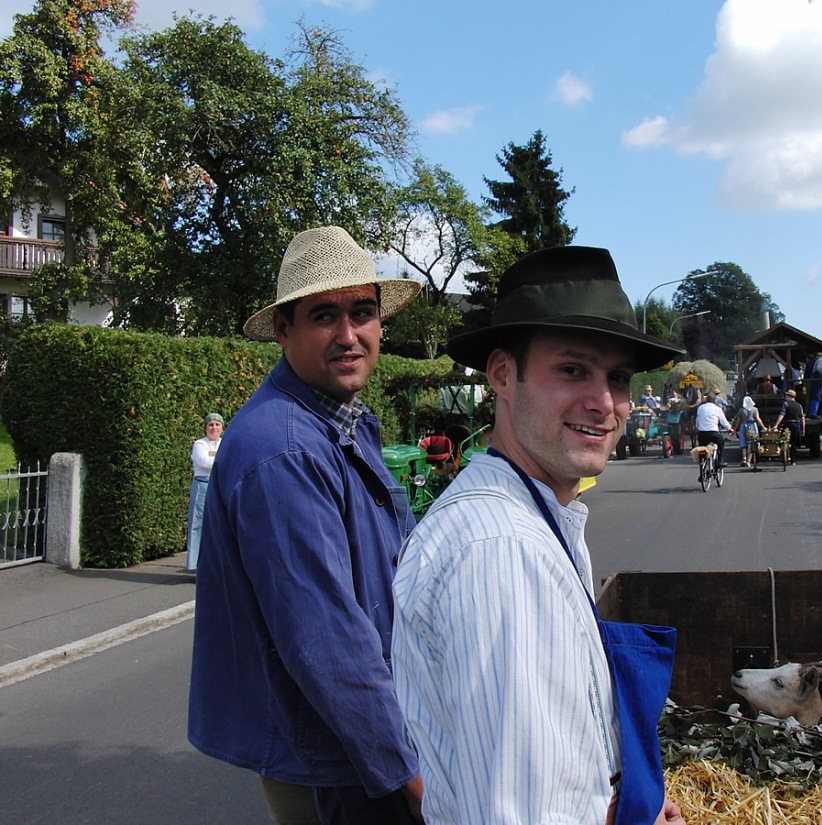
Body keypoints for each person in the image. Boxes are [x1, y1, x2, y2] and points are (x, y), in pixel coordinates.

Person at [391, 246, 686, 825]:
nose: (604, 403)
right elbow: (521, 812)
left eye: (618, 377)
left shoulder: (538, 515)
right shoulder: (503, 551)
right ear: (502, 375)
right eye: (572, 370)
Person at [188, 226, 425, 825]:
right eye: (325, 315)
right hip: (337, 761)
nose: (349, 335)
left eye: (362, 312)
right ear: (284, 330)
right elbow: (327, 642)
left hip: (350, 748)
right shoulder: (285, 451)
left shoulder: (338, 421)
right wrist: (415, 776)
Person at [184, 412, 223, 572]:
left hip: (218, 485)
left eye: (217, 425)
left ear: (222, 428)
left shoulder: (224, 442)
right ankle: (194, 565)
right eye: (211, 425)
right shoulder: (200, 444)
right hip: (202, 486)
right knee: (197, 524)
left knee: (219, 525)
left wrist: (214, 455)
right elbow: (205, 463)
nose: (214, 428)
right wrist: (218, 457)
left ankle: (216, 565)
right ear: (206, 428)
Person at [695, 390, 733, 470]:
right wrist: (730, 428)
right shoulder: (717, 409)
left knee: (702, 449)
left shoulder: (700, 408)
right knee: (721, 442)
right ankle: (720, 462)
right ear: (715, 400)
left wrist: (698, 428)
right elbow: (723, 421)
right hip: (713, 433)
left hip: (702, 434)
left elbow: (697, 421)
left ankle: (702, 468)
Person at [775, 388, 806, 463]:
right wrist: (803, 429)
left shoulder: (786, 404)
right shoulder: (799, 405)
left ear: (790, 396)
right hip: (796, 424)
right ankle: (793, 460)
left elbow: (782, 414)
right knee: (794, 443)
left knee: (785, 441)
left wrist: (776, 425)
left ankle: (785, 456)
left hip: (788, 424)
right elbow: (802, 418)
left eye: (787, 396)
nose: (786, 397)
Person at [736, 395, 765, 466]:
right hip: (753, 426)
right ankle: (749, 460)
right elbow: (758, 419)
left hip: (743, 426)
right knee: (752, 442)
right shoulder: (754, 409)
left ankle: (744, 458)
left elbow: (738, 420)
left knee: (743, 442)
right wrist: (763, 427)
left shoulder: (741, 410)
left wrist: (735, 428)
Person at [808, 351, 822, 416]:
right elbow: (819, 369)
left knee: (819, 397)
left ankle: (818, 412)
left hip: (820, 382)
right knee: (816, 396)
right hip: (817, 380)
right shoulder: (821, 361)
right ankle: (813, 413)